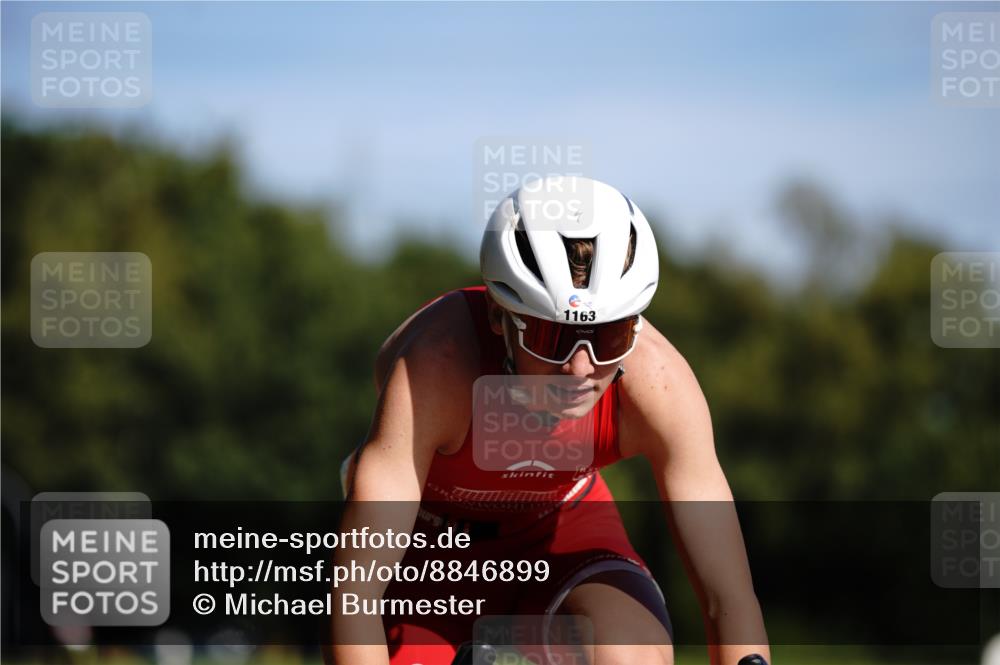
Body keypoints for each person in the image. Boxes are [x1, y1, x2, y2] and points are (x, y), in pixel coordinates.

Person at [326, 176, 769, 665]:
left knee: (632, 654)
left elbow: (727, 598)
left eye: (611, 336)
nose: (581, 369)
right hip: (430, 558)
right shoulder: (437, 367)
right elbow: (354, 597)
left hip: (564, 531)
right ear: (499, 318)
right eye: (551, 337)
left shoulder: (657, 383)